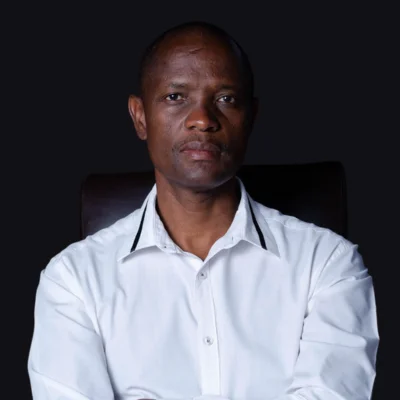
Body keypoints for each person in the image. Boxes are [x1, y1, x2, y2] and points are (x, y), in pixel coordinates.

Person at [27, 21, 379, 400]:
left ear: (251, 117)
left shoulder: (328, 265)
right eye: (176, 96)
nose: (203, 119)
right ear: (140, 116)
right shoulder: (74, 280)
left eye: (226, 99)